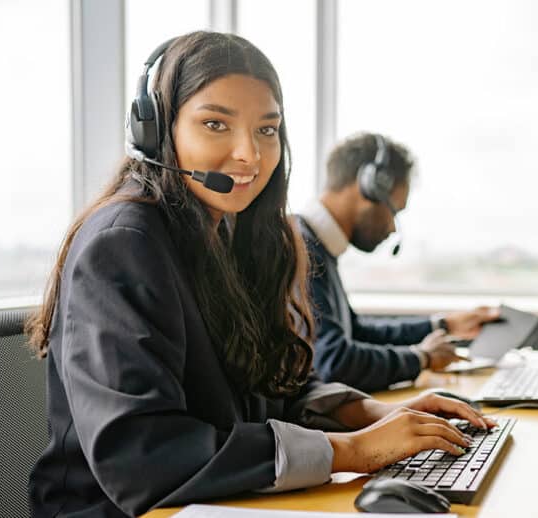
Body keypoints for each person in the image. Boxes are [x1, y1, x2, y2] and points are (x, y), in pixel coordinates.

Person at [26, 32, 492, 517]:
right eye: (215, 124)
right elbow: (142, 457)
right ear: (157, 129)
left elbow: (271, 387)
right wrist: (350, 451)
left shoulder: (230, 236)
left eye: (267, 130)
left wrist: (372, 413)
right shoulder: (123, 243)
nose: (250, 154)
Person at [297, 132, 500, 393]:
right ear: (369, 186)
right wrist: (421, 358)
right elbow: (334, 363)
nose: (393, 228)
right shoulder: (301, 250)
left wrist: (443, 325)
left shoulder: (318, 245)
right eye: (394, 211)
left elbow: (356, 332)